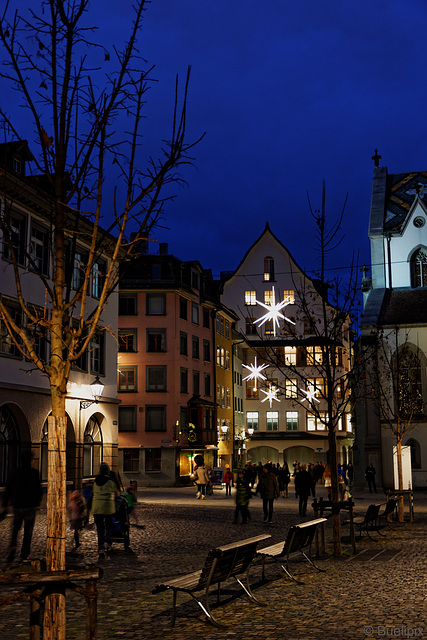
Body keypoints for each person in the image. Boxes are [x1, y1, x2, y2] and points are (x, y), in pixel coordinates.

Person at [1, 450, 42, 563]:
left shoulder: (14, 472)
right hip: (30, 506)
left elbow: (8, 489)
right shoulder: (33, 473)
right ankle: (24, 553)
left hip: (18, 505)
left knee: (15, 528)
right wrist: (37, 501)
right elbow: (38, 490)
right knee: (28, 531)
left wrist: (5, 504)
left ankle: (13, 549)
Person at [92, 462, 120, 557]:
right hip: (108, 508)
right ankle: (107, 541)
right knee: (109, 526)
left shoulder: (95, 482)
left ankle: (100, 548)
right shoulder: (111, 482)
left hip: (96, 508)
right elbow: (117, 494)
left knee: (100, 528)